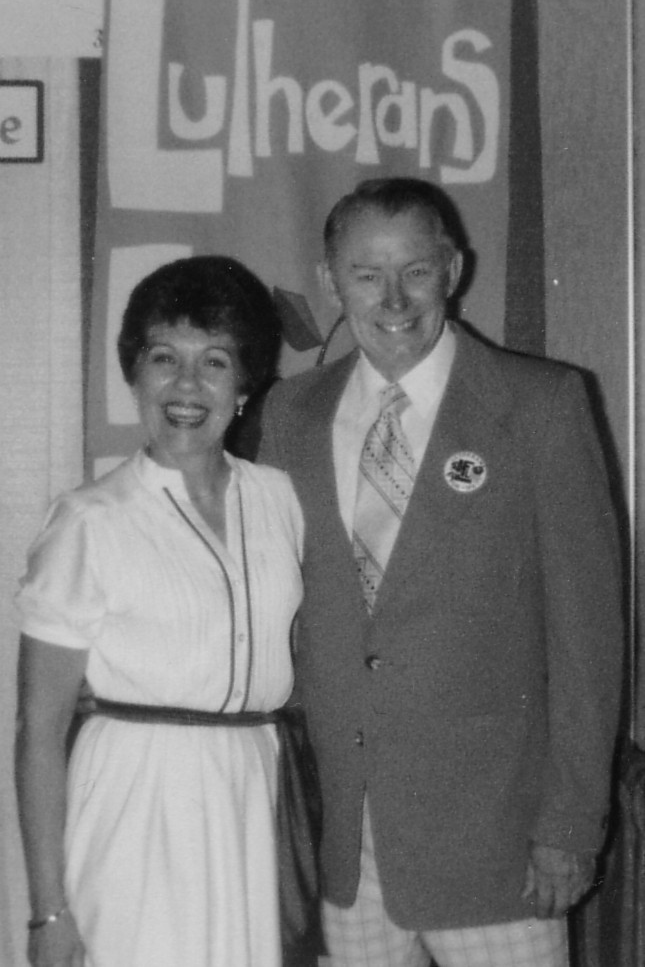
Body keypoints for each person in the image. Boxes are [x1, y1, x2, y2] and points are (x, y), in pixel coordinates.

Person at [257, 177, 624, 967]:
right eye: (366, 274)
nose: (393, 299)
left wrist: (569, 825)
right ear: (330, 280)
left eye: (415, 270)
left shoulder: (540, 405)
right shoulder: (292, 414)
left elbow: (588, 638)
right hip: (349, 848)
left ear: (451, 269)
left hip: (498, 849)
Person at [14, 256, 316, 967]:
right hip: (136, 800)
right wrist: (48, 908)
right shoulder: (89, 521)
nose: (186, 385)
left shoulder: (279, 498)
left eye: (214, 361)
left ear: (244, 385)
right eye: (163, 358)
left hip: (252, 795)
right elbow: (39, 729)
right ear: (135, 376)